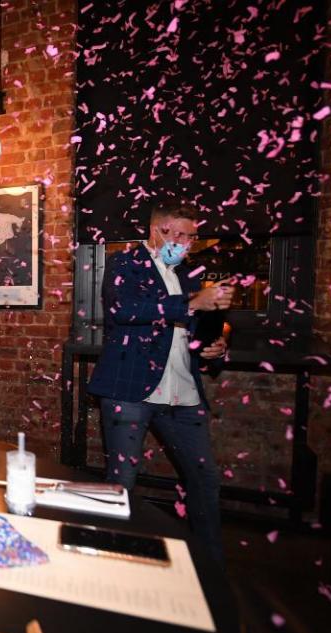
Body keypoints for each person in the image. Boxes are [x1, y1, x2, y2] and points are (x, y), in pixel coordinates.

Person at [87, 200, 232, 562]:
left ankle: (211, 569)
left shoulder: (189, 274)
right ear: (157, 231)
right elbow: (125, 310)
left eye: (191, 237)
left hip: (182, 392)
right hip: (131, 388)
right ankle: (108, 563)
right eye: (179, 234)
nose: (185, 243)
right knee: (122, 480)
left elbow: (196, 331)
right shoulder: (125, 264)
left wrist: (216, 347)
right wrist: (194, 304)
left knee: (205, 479)